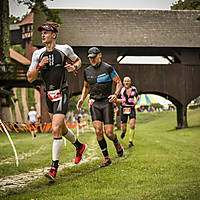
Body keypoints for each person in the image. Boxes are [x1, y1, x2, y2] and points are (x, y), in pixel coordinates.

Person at [27, 22, 87, 181]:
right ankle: (79, 147)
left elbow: (78, 61)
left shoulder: (65, 49)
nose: (43, 35)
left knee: (55, 129)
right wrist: (40, 65)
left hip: (62, 92)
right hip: (48, 94)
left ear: (54, 34)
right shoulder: (37, 54)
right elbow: (30, 77)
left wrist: (74, 68)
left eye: (46, 32)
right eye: (42, 32)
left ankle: (53, 168)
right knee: (62, 128)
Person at [77, 47, 124, 168]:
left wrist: (116, 94)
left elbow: (119, 82)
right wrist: (82, 99)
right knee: (98, 131)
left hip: (106, 102)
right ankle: (107, 158)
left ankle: (116, 142)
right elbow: (86, 87)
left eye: (94, 57)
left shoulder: (107, 68)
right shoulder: (87, 71)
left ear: (100, 55)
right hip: (95, 103)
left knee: (109, 133)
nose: (92, 59)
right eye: (90, 57)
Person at [117, 76, 139, 147]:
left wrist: (136, 100)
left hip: (132, 108)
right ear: (123, 82)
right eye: (125, 81)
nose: (126, 82)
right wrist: (121, 100)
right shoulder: (121, 90)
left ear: (130, 82)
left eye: (128, 81)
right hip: (124, 109)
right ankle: (123, 132)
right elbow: (116, 99)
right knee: (124, 127)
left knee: (132, 125)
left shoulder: (134, 89)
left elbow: (137, 96)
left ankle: (130, 142)